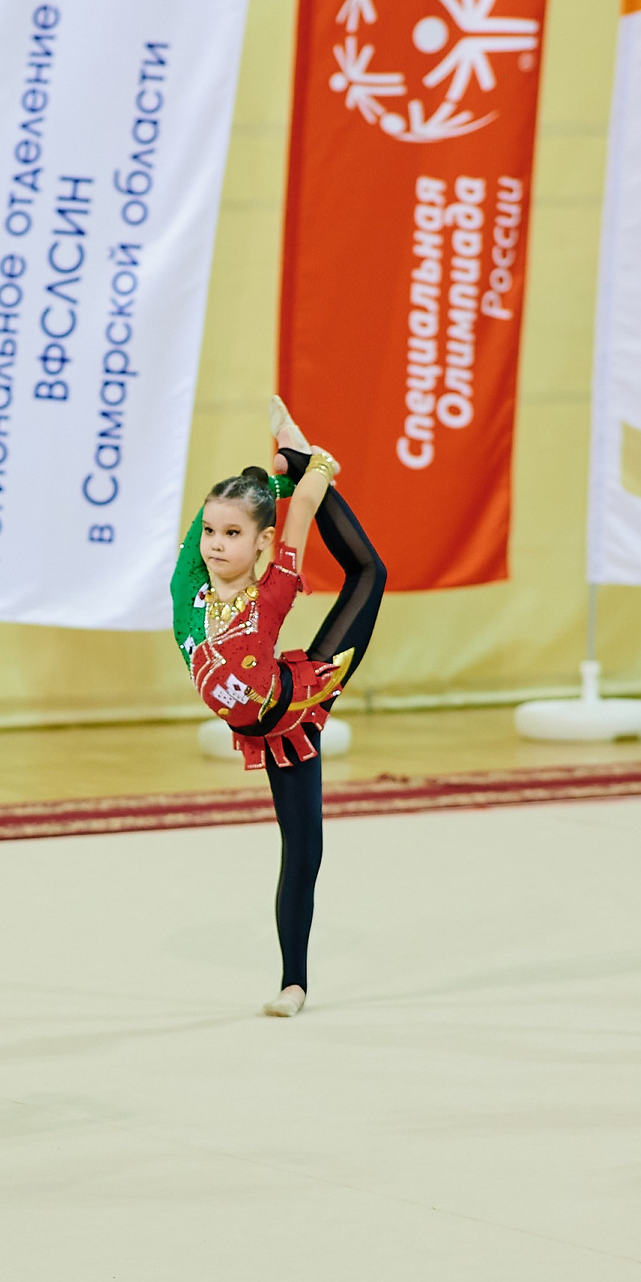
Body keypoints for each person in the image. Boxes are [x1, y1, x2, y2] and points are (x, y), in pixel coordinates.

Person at [170, 397, 387, 1019]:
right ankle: (294, 981)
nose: (213, 544)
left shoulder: (275, 588)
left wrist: (310, 468)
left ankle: (294, 984)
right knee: (300, 846)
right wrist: (271, 476)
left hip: (302, 702)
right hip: (265, 725)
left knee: (370, 573)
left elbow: (303, 513)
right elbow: (197, 528)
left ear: (261, 542)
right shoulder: (187, 588)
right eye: (212, 531)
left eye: (232, 535)